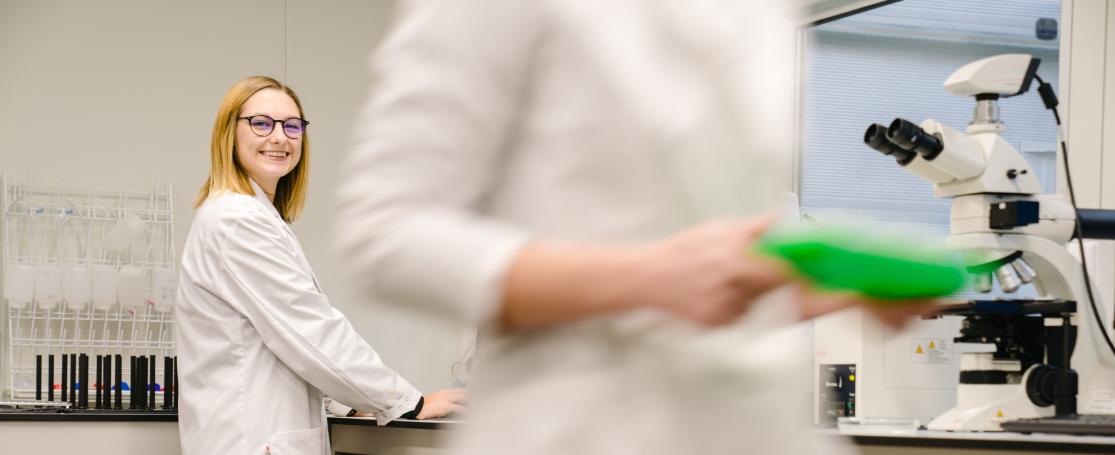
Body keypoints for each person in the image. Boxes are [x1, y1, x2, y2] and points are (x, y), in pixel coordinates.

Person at [337, 2, 930, 454]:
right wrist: (649, 279)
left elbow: (709, 248)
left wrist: (805, 283)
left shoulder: (761, 18)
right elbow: (386, 233)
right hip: (579, 424)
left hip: (748, 422)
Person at [176, 76, 465, 455]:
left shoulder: (252, 215)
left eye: (292, 126)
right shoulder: (238, 220)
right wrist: (408, 401)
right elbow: (309, 331)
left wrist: (351, 403)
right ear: (229, 133)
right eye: (261, 123)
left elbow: (283, 343)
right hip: (250, 440)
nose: (279, 137)